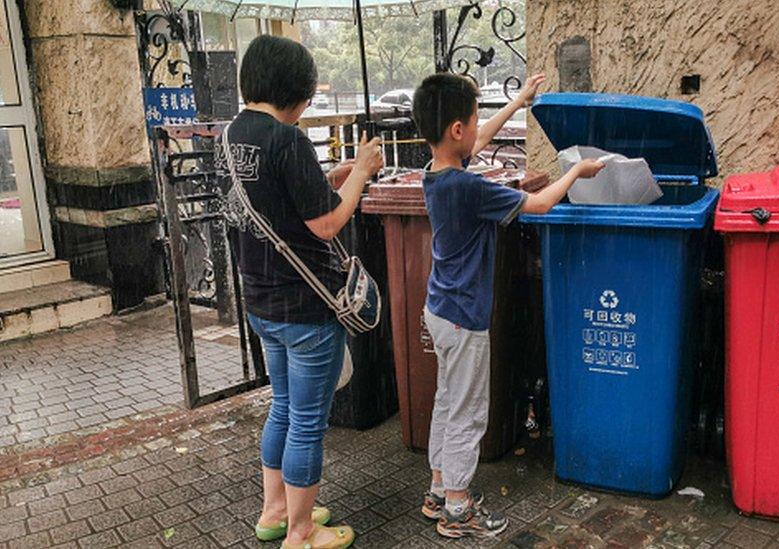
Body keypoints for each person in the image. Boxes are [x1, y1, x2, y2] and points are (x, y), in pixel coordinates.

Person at [411, 72, 605, 538]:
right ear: (457, 129)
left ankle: (439, 491)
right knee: (467, 411)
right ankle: (458, 506)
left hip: (439, 310)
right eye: (474, 121)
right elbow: (537, 204)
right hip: (462, 317)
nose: (479, 129)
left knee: (447, 402)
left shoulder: (436, 172)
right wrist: (575, 172)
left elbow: (478, 139)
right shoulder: (470, 189)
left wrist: (519, 100)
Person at [219, 35, 382, 549]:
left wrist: (331, 176)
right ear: (295, 91)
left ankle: (275, 511)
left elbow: (274, 200)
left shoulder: (230, 136)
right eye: (309, 96)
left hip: (262, 303)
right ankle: (301, 532)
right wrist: (360, 171)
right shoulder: (287, 140)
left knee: (284, 409)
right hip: (307, 307)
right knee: (309, 423)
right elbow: (329, 222)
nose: (307, 105)